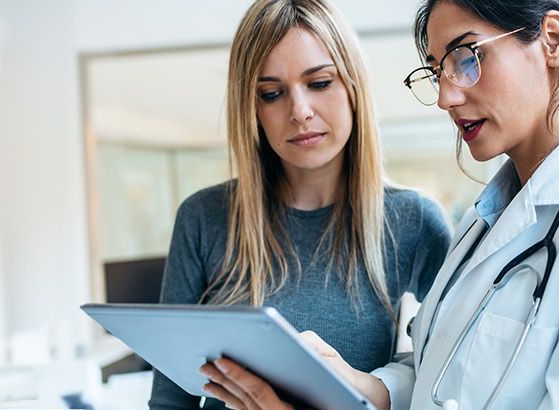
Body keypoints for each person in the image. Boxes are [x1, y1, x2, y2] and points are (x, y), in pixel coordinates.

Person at [200, 0, 559, 408]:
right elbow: (444, 376)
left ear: (554, 41)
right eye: (438, 71)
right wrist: (356, 384)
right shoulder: (483, 223)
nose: (446, 96)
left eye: (467, 57)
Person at [148, 0, 453, 408]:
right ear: (252, 109)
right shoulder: (204, 218)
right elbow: (170, 400)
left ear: (352, 87)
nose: (300, 112)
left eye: (320, 83)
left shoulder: (413, 221)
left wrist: (376, 388)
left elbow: (450, 372)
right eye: (272, 94)